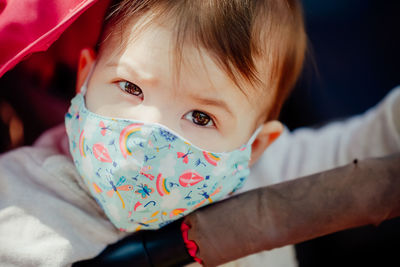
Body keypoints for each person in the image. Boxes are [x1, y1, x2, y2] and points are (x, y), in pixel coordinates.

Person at [0, 0, 307, 265]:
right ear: (85, 79)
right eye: (131, 88)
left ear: (253, 149)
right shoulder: (15, 206)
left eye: (201, 117)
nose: (150, 135)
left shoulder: (249, 236)